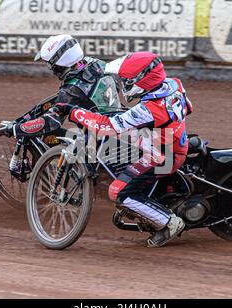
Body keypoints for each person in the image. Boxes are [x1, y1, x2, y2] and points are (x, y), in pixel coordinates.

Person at [56, 52, 193, 247]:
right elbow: (189, 107)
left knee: (118, 192)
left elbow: (108, 126)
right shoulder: (173, 84)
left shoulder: (149, 109)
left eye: (127, 80)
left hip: (162, 154)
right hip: (167, 140)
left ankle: (169, 223)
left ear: (142, 80)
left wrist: (74, 112)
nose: (123, 84)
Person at [8, 34, 121, 138]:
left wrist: (16, 129)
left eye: (50, 65)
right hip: (118, 124)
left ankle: (53, 160)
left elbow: (51, 122)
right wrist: (24, 118)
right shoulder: (98, 64)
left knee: (47, 134)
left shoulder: (72, 89)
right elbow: (117, 87)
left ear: (59, 64)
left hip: (96, 142)